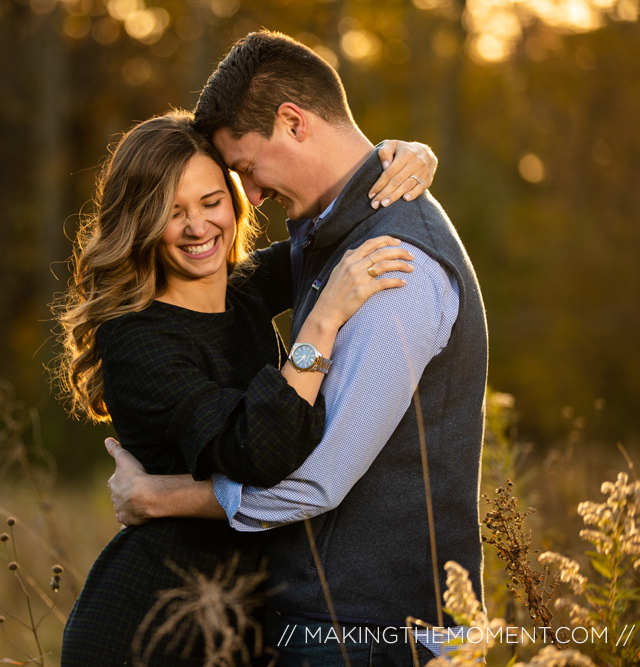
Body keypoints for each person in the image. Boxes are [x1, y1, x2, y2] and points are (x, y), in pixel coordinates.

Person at [106, 31, 488, 666]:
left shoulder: (396, 267)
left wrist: (160, 496)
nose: (247, 198)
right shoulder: (327, 240)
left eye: (244, 172)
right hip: (303, 624)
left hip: (367, 630)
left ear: (293, 122)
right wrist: (403, 152)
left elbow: (315, 482)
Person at [55, 108, 437, 665]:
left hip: (243, 621)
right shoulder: (136, 339)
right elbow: (258, 454)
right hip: (148, 626)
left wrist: (406, 155)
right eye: (172, 213)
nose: (198, 228)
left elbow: (337, 222)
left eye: (212, 203)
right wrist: (320, 324)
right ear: (140, 222)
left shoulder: (243, 288)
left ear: (233, 201)